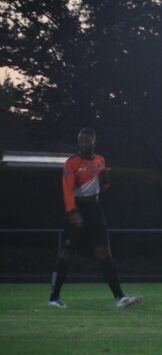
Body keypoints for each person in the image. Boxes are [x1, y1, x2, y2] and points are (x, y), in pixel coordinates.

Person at [48, 128, 142, 309]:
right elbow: (67, 189)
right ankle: (54, 298)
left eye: (86, 141)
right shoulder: (72, 163)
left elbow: (103, 187)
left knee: (104, 252)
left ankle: (120, 298)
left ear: (93, 142)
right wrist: (71, 211)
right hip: (78, 210)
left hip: (95, 210)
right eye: (80, 141)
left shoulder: (100, 160)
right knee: (68, 254)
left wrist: (105, 181)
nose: (83, 144)